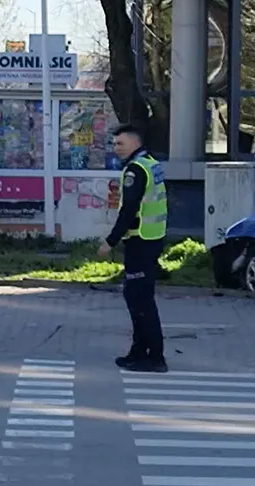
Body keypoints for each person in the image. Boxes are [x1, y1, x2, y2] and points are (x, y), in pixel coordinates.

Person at [99, 123, 169, 374]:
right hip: (151, 239)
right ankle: (139, 352)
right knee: (137, 297)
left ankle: (154, 357)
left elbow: (129, 210)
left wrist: (110, 241)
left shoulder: (136, 170)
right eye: (114, 143)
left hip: (140, 241)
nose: (116, 148)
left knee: (140, 301)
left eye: (120, 143)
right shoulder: (150, 163)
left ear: (134, 143)